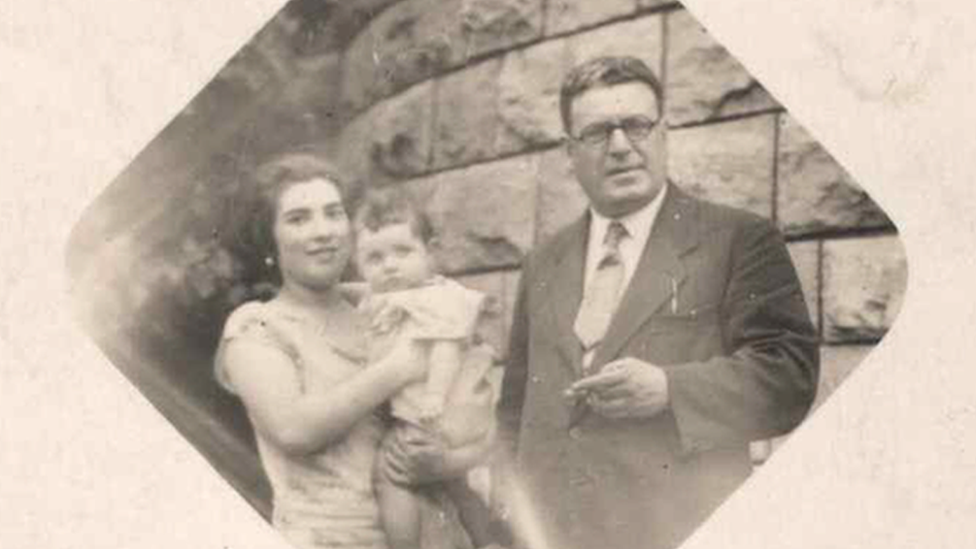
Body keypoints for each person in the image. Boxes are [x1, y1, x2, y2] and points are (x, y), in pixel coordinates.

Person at [495, 56, 820, 549]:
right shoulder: (543, 263)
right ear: (569, 151)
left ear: (664, 133)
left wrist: (670, 389)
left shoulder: (737, 239)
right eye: (598, 132)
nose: (621, 146)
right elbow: (514, 410)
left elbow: (789, 376)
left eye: (637, 126)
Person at [214, 153, 493, 549]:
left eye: (333, 213)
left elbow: (479, 406)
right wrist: (401, 367)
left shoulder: (392, 304)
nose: (323, 230)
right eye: (299, 219)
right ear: (269, 241)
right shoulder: (257, 327)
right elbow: (294, 430)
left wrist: (450, 461)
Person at [351, 188, 496, 549]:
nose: (389, 265)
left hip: (437, 408)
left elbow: (445, 344)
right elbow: (359, 297)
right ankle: (489, 541)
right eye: (374, 258)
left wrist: (433, 395)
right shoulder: (402, 296)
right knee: (457, 483)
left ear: (430, 253)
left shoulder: (434, 299)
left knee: (389, 473)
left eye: (403, 252)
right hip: (456, 414)